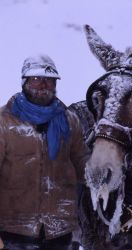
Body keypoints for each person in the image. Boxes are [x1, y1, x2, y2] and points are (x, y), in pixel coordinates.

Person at [0, 55, 89, 250]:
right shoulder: (4, 121)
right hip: (14, 230)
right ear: (24, 82)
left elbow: (82, 163)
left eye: (49, 80)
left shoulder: (69, 120)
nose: (43, 85)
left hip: (59, 230)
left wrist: (102, 170)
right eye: (36, 79)